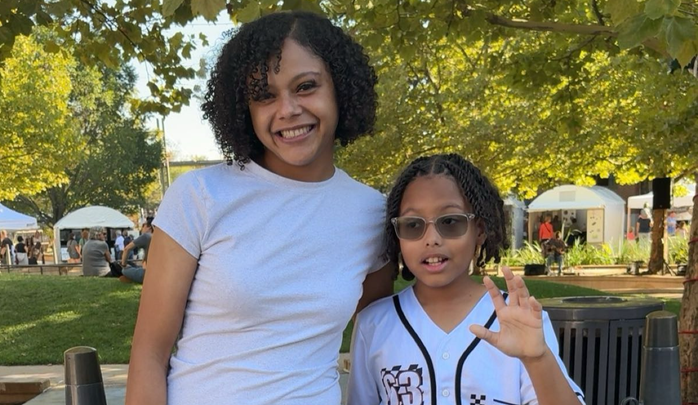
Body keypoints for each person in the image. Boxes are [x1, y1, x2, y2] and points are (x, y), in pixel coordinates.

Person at [125, 11, 393, 405]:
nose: (287, 109)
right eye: (265, 95)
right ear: (244, 108)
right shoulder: (200, 195)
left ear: (341, 88)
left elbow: (378, 344)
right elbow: (149, 355)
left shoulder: (373, 214)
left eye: (305, 86)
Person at [347, 153, 584, 405]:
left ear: (479, 230)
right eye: (413, 225)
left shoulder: (519, 319)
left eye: (450, 222)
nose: (432, 239)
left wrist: (537, 359)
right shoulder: (373, 324)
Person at [120, 218, 154, 284]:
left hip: (149, 275)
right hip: (162, 273)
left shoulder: (146, 236)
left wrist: (123, 265)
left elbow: (127, 249)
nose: (142, 228)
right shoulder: (160, 238)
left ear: (149, 227)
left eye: (143, 225)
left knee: (124, 270)